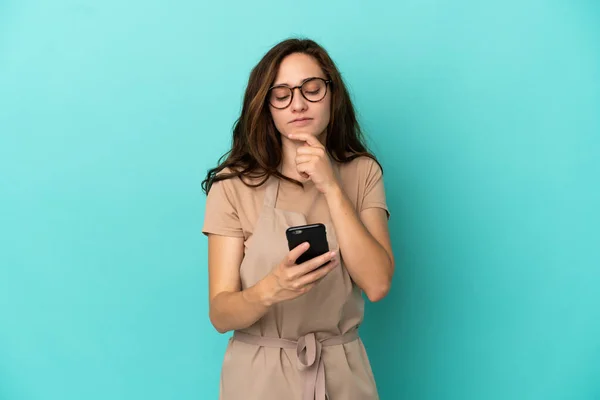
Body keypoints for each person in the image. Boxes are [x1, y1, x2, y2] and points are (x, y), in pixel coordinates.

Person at [201, 38, 395, 400]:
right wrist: (270, 288)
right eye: (282, 94)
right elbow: (220, 313)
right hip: (257, 378)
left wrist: (331, 188)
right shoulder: (233, 185)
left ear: (332, 94)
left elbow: (378, 283)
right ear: (266, 106)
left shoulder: (362, 172)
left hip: (342, 374)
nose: (299, 104)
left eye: (312, 89)